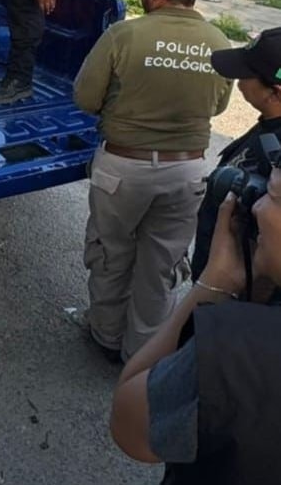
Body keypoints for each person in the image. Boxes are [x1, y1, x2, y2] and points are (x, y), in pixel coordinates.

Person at [73, 0, 232, 363]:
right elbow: (217, 108)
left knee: (111, 254)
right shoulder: (218, 42)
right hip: (187, 170)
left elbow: (85, 98)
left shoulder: (124, 36)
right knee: (162, 265)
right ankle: (141, 355)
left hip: (123, 170)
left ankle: (106, 337)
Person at [110, 167, 281, 483]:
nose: (257, 208)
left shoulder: (239, 349)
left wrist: (216, 282)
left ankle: (107, 338)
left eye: (272, 195)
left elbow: (129, 425)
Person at [191, 26, 281, 279]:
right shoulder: (269, 125)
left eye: (246, 75)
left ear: (275, 92)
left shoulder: (277, 157)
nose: (238, 82)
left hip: (235, 292)